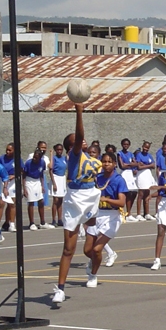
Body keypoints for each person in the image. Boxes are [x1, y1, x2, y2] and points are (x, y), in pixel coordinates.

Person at [52, 103, 102, 304]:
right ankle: (60, 289)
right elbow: (79, 135)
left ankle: (93, 267)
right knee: (68, 249)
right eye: (76, 141)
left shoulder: (92, 159)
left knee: (91, 249)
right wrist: (79, 112)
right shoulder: (74, 157)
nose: (82, 141)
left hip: (91, 197)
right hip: (75, 199)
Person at [82, 152, 128, 287]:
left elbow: (121, 203)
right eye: (104, 161)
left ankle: (93, 275)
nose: (106, 164)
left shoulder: (119, 180)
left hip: (112, 216)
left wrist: (107, 199)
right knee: (87, 250)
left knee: (97, 249)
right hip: (96, 214)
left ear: (114, 164)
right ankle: (94, 261)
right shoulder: (98, 178)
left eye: (109, 162)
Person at [23, 148, 51, 229]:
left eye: (36, 158)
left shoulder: (42, 162)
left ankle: (42, 222)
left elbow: (41, 174)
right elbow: (23, 176)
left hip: (38, 181)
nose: (34, 159)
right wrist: (24, 188)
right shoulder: (28, 163)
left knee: (41, 201)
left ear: (40, 158)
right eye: (34, 157)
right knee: (31, 202)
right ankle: (31, 223)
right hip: (29, 181)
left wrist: (42, 185)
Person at [117, 139, 139, 220]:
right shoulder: (119, 153)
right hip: (124, 173)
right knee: (127, 193)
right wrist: (131, 164)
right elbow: (122, 165)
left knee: (134, 192)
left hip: (130, 174)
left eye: (127, 144)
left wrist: (129, 164)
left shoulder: (131, 154)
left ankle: (129, 213)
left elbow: (136, 163)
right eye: (124, 144)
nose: (126, 146)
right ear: (122, 145)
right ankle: (125, 213)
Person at [134, 140, 156, 221]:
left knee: (147, 194)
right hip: (141, 175)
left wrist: (146, 165)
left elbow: (153, 166)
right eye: (145, 147)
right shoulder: (139, 155)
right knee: (140, 195)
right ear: (142, 146)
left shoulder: (149, 155)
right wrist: (149, 165)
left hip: (148, 176)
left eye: (147, 148)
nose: (146, 149)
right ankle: (139, 214)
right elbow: (139, 167)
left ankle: (147, 213)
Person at [49, 143, 68, 227]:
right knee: (55, 201)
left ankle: (60, 219)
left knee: (60, 201)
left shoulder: (64, 158)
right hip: (56, 178)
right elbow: (50, 170)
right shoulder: (54, 158)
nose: (59, 151)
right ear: (56, 150)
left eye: (61, 149)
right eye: (58, 150)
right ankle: (53, 219)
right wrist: (54, 183)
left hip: (62, 178)